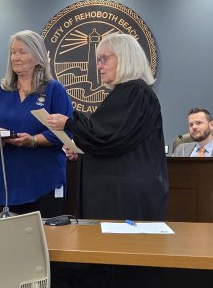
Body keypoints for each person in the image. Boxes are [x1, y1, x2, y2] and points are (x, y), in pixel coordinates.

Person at [46, 33, 168, 221]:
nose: (99, 66)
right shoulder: (131, 93)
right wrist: (80, 149)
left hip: (124, 195)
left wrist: (69, 123)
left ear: (125, 58)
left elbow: (105, 137)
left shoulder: (134, 92)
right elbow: (113, 139)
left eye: (104, 59)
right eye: (98, 60)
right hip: (121, 189)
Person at [0, 30, 73, 217]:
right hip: (8, 184)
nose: (15, 57)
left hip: (44, 181)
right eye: (13, 52)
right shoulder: (0, 92)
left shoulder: (54, 90)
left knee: (45, 240)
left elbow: (66, 131)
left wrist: (33, 140)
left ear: (38, 58)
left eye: (22, 52)